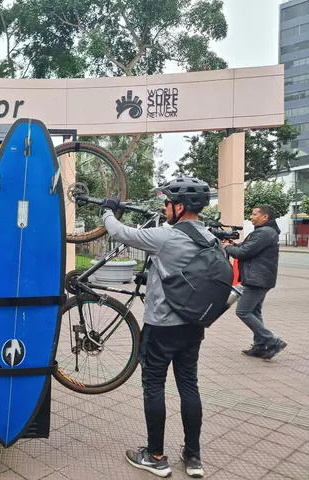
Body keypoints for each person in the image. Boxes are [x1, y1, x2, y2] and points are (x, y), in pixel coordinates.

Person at [100, 177, 211, 478]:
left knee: (154, 386)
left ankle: (156, 456)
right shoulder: (209, 237)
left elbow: (121, 233)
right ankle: (193, 457)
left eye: (167, 203)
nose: (164, 208)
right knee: (189, 385)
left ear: (180, 206)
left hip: (161, 325)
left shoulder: (166, 237)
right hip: (193, 325)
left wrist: (109, 212)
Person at [222, 205, 286, 360]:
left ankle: (272, 340)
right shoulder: (264, 232)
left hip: (257, 279)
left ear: (265, 217)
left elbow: (243, 253)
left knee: (243, 311)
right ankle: (260, 346)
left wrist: (227, 247)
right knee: (255, 312)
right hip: (259, 278)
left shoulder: (264, 233)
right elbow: (247, 249)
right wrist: (233, 245)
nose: (251, 217)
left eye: (254, 214)